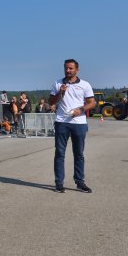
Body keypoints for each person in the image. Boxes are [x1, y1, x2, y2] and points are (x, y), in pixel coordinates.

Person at [48, 59, 96, 193]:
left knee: (79, 154)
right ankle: (59, 183)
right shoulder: (58, 83)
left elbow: (92, 103)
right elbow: (51, 102)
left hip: (79, 123)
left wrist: (80, 110)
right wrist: (60, 93)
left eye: (70, 68)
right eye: (66, 68)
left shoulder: (85, 84)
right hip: (62, 122)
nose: (68, 71)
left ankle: (80, 182)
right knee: (59, 153)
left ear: (77, 70)